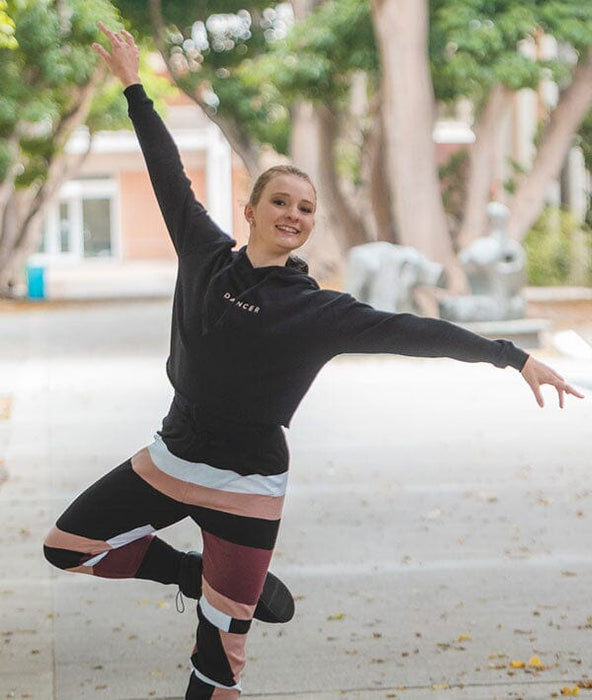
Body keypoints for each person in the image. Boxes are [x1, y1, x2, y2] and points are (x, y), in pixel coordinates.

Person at [43, 23, 584, 700]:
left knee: (216, 670)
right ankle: (191, 575)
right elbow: (165, 173)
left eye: (306, 207)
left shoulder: (318, 311)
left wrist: (513, 358)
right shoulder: (206, 255)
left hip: (249, 488)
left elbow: (416, 332)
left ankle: (219, 602)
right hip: (172, 459)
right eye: (280, 202)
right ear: (251, 211)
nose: (294, 214)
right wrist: (134, 85)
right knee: (67, 546)